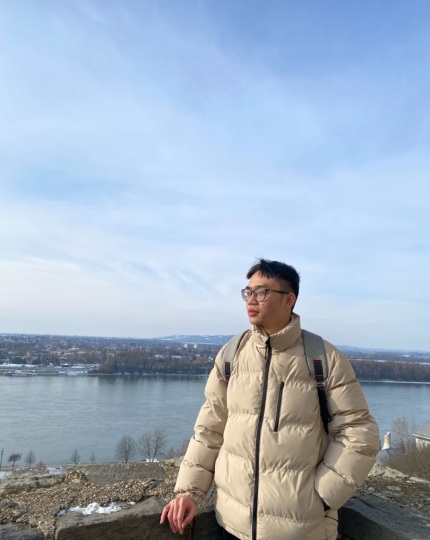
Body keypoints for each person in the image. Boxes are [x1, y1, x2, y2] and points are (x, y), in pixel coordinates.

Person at [161, 259, 379, 540]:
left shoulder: (324, 358)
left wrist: (321, 497)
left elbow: (360, 434)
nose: (251, 300)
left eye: (262, 292)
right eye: (248, 292)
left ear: (290, 299)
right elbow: (209, 429)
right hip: (231, 524)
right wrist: (188, 492)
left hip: (300, 530)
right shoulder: (232, 354)